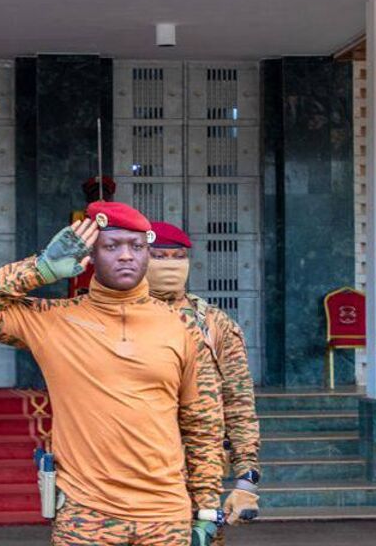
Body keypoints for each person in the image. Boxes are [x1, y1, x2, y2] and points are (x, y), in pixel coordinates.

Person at [0, 202, 224, 546]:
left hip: (165, 515)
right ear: (90, 255)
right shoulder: (53, 320)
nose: (126, 256)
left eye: (137, 247)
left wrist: (207, 509)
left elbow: (203, 424)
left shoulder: (182, 327)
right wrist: (42, 269)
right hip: (86, 516)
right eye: (112, 246)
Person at [146, 222, 262, 533]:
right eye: (158, 256)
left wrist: (246, 479)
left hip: (201, 478)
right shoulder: (116, 314)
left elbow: (239, 402)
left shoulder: (213, 323)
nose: (169, 264)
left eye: (177, 256)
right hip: (131, 473)